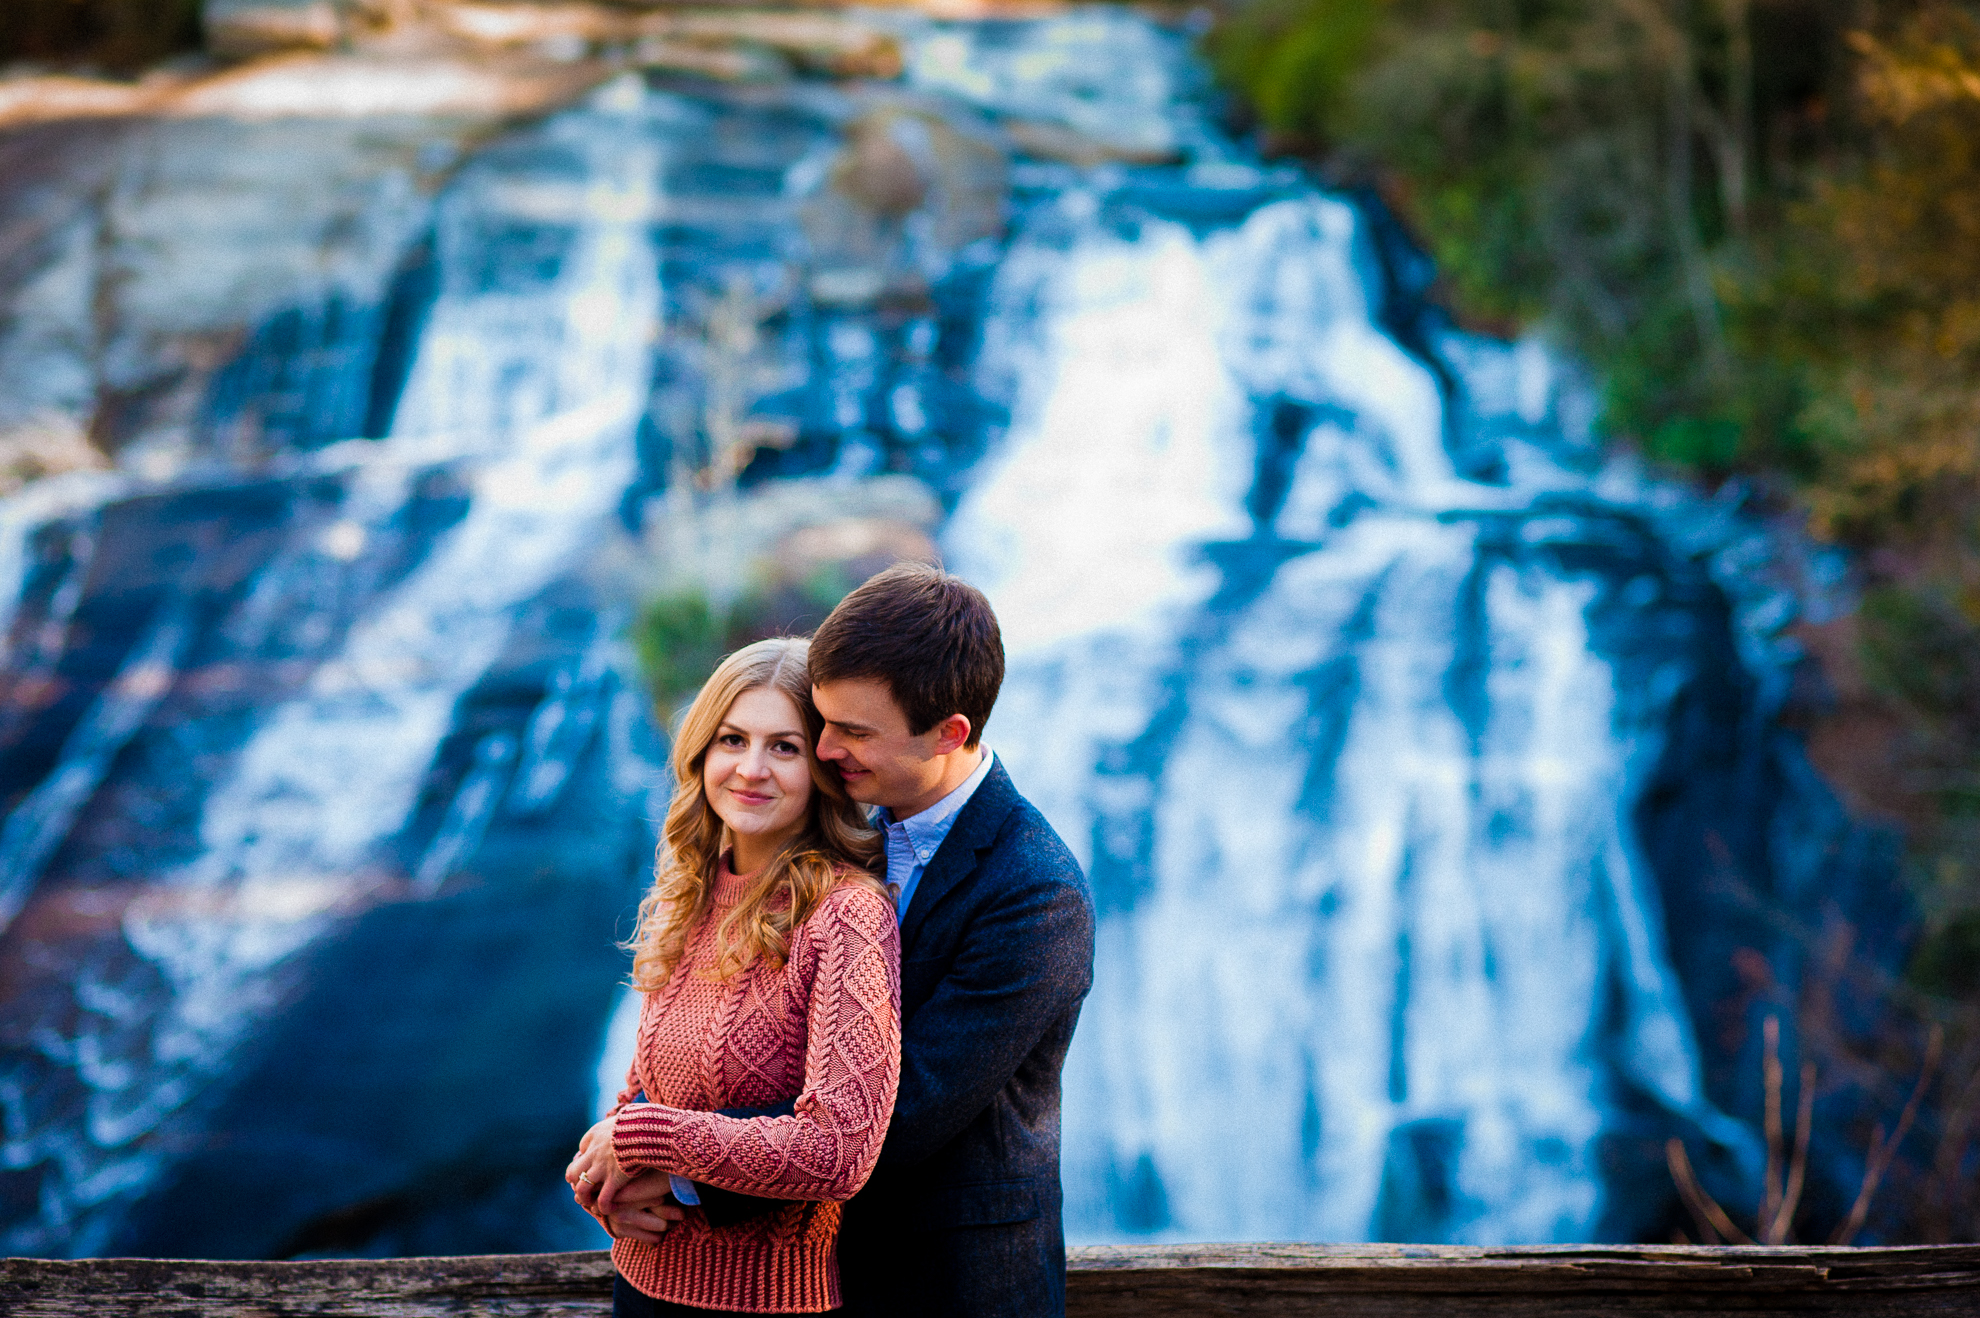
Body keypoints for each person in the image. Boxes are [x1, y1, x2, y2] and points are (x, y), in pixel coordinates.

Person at [616, 563, 1096, 1316]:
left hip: (950, 1283)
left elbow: (897, 1116)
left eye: (850, 732)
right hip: (810, 1271)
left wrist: (657, 1163)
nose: (826, 747)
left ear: (949, 733)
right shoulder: (835, 838)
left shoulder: (1035, 892)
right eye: (823, 724)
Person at [566, 637, 901, 1317]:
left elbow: (838, 1152)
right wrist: (601, 1176)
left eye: (785, 747)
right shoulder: (692, 889)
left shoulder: (845, 916)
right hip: (642, 1284)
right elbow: (646, 1086)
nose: (751, 768)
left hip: (767, 1305)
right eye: (731, 739)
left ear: (823, 769)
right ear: (701, 752)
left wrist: (636, 1139)